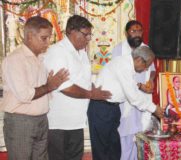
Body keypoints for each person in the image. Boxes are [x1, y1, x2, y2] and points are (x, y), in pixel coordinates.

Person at [43, 15, 111, 160]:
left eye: (89, 35)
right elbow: (64, 87)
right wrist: (91, 94)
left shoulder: (82, 52)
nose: (88, 39)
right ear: (71, 31)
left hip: (76, 121)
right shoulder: (58, 52)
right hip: (59, 123)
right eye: (85, 34)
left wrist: (94, 89)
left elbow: (83, 80)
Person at [1, 16, 69, 160]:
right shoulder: (15, 60)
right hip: (21, 122)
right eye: (44, 38)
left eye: (49, 38)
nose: (48, 43)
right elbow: (25, 95)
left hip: (41, 119)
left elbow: (44, 90)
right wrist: (49, 85)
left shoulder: (39, 59)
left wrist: (50, 85)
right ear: (30, 36)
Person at [87, 46, 164, 160]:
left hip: (112, 109)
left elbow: (132, 89)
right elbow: (133, 96)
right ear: (138, 59)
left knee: (114, 149)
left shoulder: (127, 66)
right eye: (146, 65)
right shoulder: (123, 65)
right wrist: (154, 109)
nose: (146, 69)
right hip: (102, 109)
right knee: (102, 151)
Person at [110, 20, 156, 160]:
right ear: (126, 33)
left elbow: (152, 70)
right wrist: (139, 86)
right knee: (125, 136)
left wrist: (150, 81)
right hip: (126, 100)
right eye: (133, 31)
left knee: (141, 135)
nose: (137, 34)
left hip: (143, 97)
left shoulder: (146, 48)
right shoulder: (118, 50)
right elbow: (118, 75)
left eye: (139, 31)